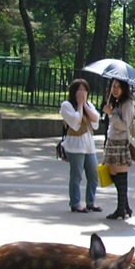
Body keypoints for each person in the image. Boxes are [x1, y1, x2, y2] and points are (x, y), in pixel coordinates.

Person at [59, 78, 102, 214]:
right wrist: (79, 105)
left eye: (85, 90)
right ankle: (75, 202)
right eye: (79, 89)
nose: (82, 93)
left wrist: (85, 106)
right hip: (75, 146)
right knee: (76, 175)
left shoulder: (89, 104)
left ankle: (91, 201)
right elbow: (75, 121)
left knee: (93, 175)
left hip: (89, 145)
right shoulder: (67, 105)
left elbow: (96, 119)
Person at [101, 78, 135, 220]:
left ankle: (121, 209)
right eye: (112, 86)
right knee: (112, 172)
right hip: (112, 141)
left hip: (121, 142)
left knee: (121, 175)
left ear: (124, 88)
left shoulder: (127, 104)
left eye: (118, 86)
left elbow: (124, 125)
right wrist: (109, 111)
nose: (114, 89)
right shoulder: (115, 102)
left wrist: (111, 114)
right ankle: (125, 206)